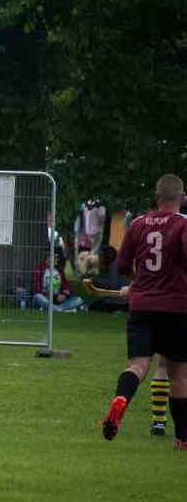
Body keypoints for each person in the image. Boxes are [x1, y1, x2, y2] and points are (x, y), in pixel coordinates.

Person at [101, 174, 187, 449]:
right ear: (182, 197)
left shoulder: (137, 224)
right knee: (179, 375)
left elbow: (124, 265)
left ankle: (121, 399)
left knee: (137, 365)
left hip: (142, 306)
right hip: (176, 307)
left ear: (156, 196)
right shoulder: (184, 224)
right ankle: (182, 438)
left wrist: (135, 285)